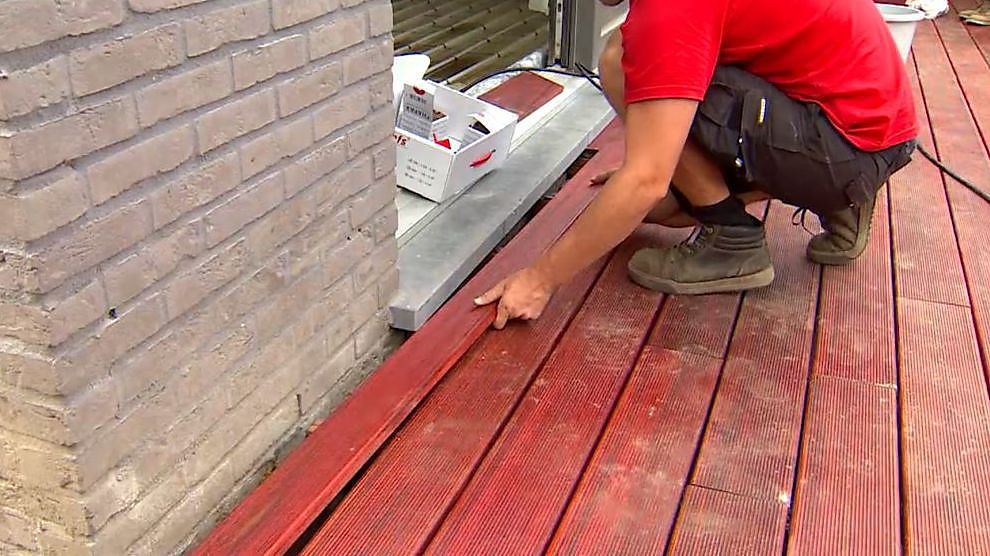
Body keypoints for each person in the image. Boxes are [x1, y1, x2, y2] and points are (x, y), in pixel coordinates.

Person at [475, 0, 918, 329]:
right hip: (875, 128)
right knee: (663, 206)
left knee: (623, 63)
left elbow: (645, 182)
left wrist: (541, 277)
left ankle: (733, 238)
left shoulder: (669, 9)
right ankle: (843, 199)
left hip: (844, 146)